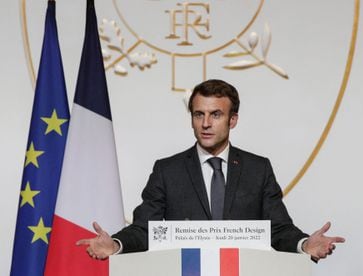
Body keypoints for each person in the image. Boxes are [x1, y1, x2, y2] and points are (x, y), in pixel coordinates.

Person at [77, 79, 345, 262]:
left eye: (215, 115)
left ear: (233, 120)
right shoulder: (167, 170)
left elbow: (278, 229)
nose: (205, 123)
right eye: (198, 114)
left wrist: (304, 244)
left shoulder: (258, 169)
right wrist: (116, 244)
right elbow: (145, 229)